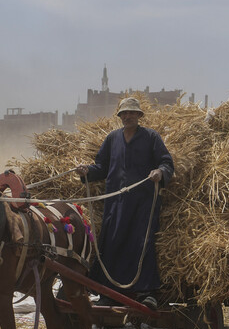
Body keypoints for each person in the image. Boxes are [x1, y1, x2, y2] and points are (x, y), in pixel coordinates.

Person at [75, 97, 174, 309]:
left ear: (139, 116)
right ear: (120, 116)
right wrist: (87, 172)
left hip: (143, 203)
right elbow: (101, 167)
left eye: (132, 113)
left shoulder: (151, 137)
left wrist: (160, 172)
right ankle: (108, 292)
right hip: (116, 203)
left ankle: (147, 292)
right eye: (124, 113)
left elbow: (166, 162)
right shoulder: (112, 139)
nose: (128, 116)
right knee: (111, 243)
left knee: (142, 243)